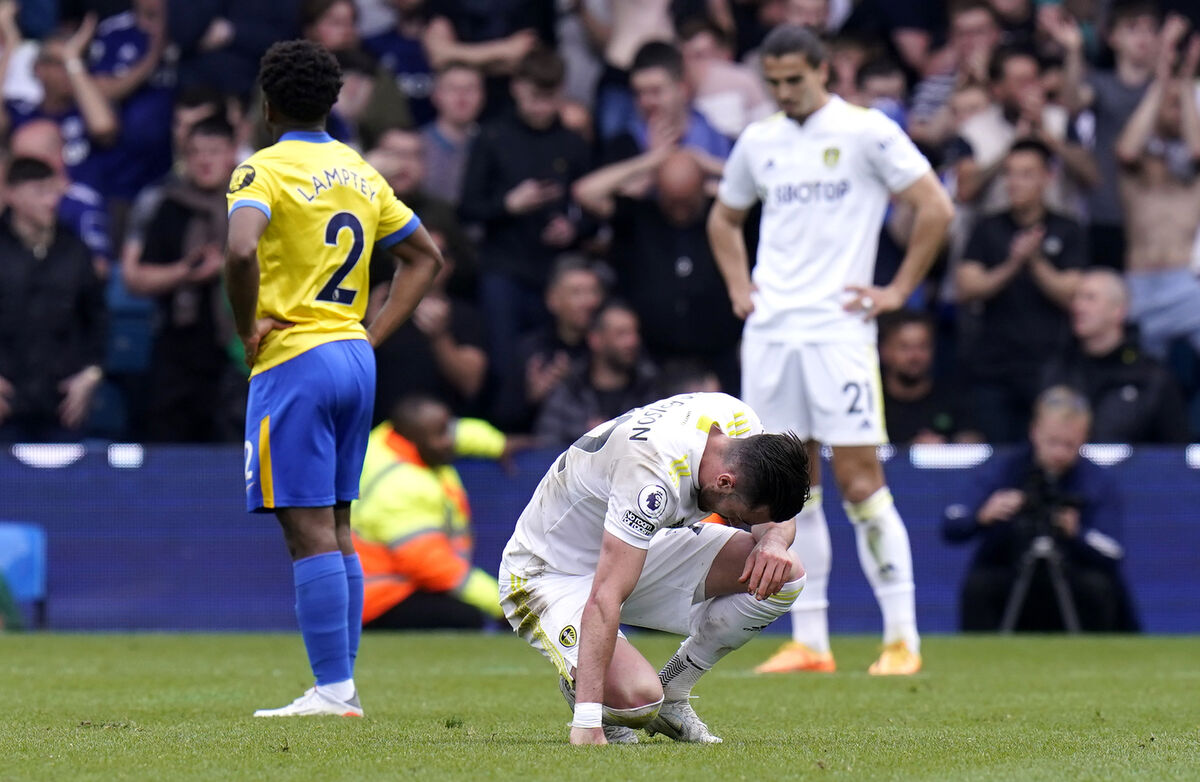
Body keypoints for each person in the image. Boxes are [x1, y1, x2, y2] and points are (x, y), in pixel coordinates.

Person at [708, 25, 955, 676]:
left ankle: (902, 639)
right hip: (771, 335)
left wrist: (899, 289)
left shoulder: (867, 130)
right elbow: (724, 217)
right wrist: (739, 285)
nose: (786, 93)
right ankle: (809, 641)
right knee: (792, 490)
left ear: (826, 71)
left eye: (796, 80)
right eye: (776, 82)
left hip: (837, 331)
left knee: (859, 481)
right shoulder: (759, 141)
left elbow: (935, 206)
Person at [224, 40, 443, 718]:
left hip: (295, 357)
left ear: (266, 105)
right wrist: (372, 334)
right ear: (335, 100)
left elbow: (238, 248)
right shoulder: (359, 170)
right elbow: (424, 256)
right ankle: (340, 687)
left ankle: (332, 689)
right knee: (340, 523)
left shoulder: (260, 171)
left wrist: (245, 325)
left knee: (307, 527)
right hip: (354, 357)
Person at [500, 391, 811, 745]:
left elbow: (775, 524)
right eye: (739, 517)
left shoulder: (738, 424)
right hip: (550, 573)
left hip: (628, 546)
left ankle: (674, 693)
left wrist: (771, 540)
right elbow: (606, 595)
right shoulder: (651, 474)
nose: (738, 523)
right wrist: (588, 723)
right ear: (724, 482)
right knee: (638, 702)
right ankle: (588, 693)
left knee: (784, 572)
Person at [941, 386, 1137, 632]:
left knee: (1100, 589)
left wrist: (1077, 532)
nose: (1059, 453)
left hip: (1072, 574)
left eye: (1069, 445)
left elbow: (1113, 551)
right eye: (1053, 442)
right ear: (1034, 432)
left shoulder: (1095, 481)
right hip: (1011, 569)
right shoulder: (1006, 470)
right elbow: (952, 523)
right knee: (979, 586)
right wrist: (983, 515)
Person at [458, 47, 592, 377]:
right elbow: (467, 208)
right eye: (535, 96)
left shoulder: (572, 142)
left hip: (556, 270)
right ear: (517, 87)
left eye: (550, 97)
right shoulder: (492, 136)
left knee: (559, 361)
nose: (542, 107)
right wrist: (508, 204)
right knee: (504, 361)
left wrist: (573, 227)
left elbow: (594, 208)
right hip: (503, 267)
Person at [573, 147, 743, 391]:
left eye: (687, 202)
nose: (680, 212)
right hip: (651, 360)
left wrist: (705, 165)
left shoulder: (724, 216)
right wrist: (651, 162)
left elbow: (768, 190)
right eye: (672, 202)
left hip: (718, 356)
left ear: (703, 190)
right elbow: (585, 192)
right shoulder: (639, 216)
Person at [956, 138, 1086, 443]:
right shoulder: (987, 227)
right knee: (996, 449)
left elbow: (1072, 293)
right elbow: (967, 287)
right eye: (1010, 174)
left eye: (1026, 174)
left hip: (1049, 364)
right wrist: (1012, 264)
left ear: (1047, 177)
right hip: (994, 365)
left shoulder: (1068, 229)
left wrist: (1036, 261)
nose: (1014, 183)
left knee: (1045, 448)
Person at [121, 117, 242, 442]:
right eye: (196, 153)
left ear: (233, 152)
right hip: (178, 354)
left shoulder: (255, 207)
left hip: (241, 353)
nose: (204, 161)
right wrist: (185, 273)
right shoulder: (168, 207)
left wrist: (229, 268)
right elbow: (138, 278)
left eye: (214, 151)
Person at [352, 395, 507, 630]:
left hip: (395, 586)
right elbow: (435, 568)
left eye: (448, 427)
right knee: (466, 618)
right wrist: (504, 606)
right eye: (441, 434)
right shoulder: (401, 488)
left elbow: (454, 432)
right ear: (416, 441)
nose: (451, 440)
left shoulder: (387, 438)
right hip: (379, 601)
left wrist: (498, 444)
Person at [1049, 2, 1166, 270]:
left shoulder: (1168, 89)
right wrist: (1074, 51)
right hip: (1107, 211)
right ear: (1112, 37)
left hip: (1155, 214)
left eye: (1151, 30)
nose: (1143, 38)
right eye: (1133, 28)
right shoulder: (1102, 83)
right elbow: (1073, 102)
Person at [0, 157, 107, 442]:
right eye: (39, 191)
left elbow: (97, 320)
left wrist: (91, 375)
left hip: (62, 406)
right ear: (11, 193)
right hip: (7, 404)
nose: (50, 200)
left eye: (53, 190)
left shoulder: (75, 250)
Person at [1115, 26, 1200, 359]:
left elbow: (1197, 151)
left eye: (1181, 106)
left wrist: (1186, 81)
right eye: (1170, 105)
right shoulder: (1135, 177)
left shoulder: (1191, 177)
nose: (1174, 110)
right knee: (1141, 381)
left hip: (1186, 285)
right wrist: (1159, 85)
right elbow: (1126, 150)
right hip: (1140, 284)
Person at [1042, 269, 1188, 444]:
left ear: (1118, 311)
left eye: (1090, 298)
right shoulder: (1059, 369)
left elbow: (1176, 455)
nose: (1078, 307)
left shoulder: (1151, 378)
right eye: (1076, 298)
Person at [491, 255, 604, 432]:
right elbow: (503, 418)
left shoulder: (608, 347)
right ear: (552, 299)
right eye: (577, 293)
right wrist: (531, 397)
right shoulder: (530, 350)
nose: (589, 302)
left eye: (594, 292)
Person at [534, 299, 658, 447]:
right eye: (621, 334)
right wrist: (585, 444)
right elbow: (545, 448)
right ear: (595, 340)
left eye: (634, 332)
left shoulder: (651, 388)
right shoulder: (570, 389)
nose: (632, 341)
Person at [878, 310, 981, 445]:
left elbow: (975, 442)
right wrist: (907, 452)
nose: (915, 356)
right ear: (883, 351)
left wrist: (947, 446)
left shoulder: (952, 396)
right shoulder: (871, 404)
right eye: (905, 347)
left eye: (923, 347)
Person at [419, 62, 485, 206]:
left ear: (483, 96)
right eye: (452, 88)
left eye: (470, 89)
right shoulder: (416, 146)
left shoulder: (494, 144)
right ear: (436, 95)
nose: (462, 96)